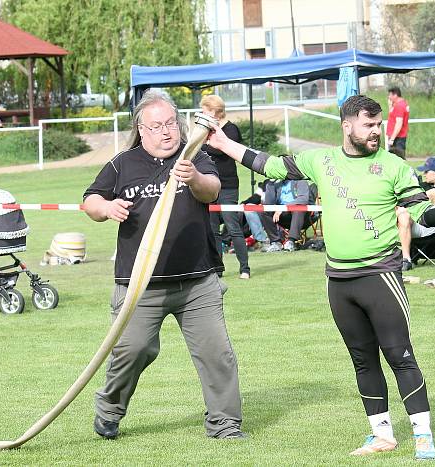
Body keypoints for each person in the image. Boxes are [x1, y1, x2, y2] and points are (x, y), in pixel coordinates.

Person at [206, 95, 435, 460]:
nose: (376, 132)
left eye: (378, 124)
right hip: (339, 279)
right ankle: (381, 435)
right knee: (363, 360)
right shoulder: (322, 160)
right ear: (347, 125)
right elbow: (269, 165)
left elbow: (423, 214)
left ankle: (423, 434)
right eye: (369, 125)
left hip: (381, 276)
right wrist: (223, 143)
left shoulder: (394, 166)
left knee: (399, 355)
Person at [82, 90, 244, 440]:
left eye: (171, 123)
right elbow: (90, 200)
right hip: (140, 285)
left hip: (198, 281)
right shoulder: (122, 164)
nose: (167, 131)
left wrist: (194, 179)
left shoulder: (193, 156)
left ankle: (225, 424)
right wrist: (106, 208)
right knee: (133, 349)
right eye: (157, 126)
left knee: (217, 354)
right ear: (142, 130)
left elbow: (212, 189)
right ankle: (109, 410)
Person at [201, 95, 251, 279]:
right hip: (210, 184)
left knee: (233, 227)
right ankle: (217, 269)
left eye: (205, 110)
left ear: (214, 110)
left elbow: (221, 150)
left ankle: (244, 268)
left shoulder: (231, 129)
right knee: (213, 229)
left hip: (228, 185)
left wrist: (204, 145)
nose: (202, 113)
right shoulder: (206, 130)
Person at [398, 157, 435, 271]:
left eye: (426, 171)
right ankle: (404, 259)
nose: (424, 174)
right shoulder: (421, 186)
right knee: (402, 214)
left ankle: (405, 259)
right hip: (411, 221)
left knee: (433, 193)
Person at [259, 179, 311, 252]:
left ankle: (291, 241)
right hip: (281, 216)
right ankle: (276, 242)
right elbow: (268, 203)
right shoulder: (276, 184)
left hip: (300, 217)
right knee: (264, 210)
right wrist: (270, 183)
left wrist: (284, 208)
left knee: (298, 208)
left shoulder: (300, 181)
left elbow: (303, 199)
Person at [386, 86, 409, 159]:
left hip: (397, 137)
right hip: (397, 136)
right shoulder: (400, 104)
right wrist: (390, 105)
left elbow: (399, 123)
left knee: (398, 159)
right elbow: (392, 116)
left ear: (395, 95)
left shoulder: (399, 106)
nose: (389, 97)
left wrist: (392, 138)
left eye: (390, 95)